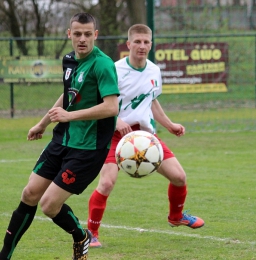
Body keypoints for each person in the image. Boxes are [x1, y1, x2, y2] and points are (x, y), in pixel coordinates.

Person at [0, 12, 119, 260]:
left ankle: (81, 236)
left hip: (88, 148)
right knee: (29, 194)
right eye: (77, 34)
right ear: (69, 35)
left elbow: (111, 107)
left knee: (49, 205)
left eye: (88, 34)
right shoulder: (68, 60)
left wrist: (70, 116)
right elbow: (69, 94)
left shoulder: (103, 64)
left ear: (95, 35)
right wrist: (43, 123)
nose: (82, 39)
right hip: (61, 140)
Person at [87, 24, 205, 248]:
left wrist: (169, 124)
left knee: (179, 177)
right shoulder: (114, 69)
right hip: (113, 135)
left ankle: (176, 217)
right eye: (137, 42)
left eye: (146, 42)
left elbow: (151, 101)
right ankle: (92, 233)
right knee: (107, 183)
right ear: (128, 44)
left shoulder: (154, 70)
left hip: (144, 137)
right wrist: (116, 120)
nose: (142, 46)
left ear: (151, 44)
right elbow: (97, 103)